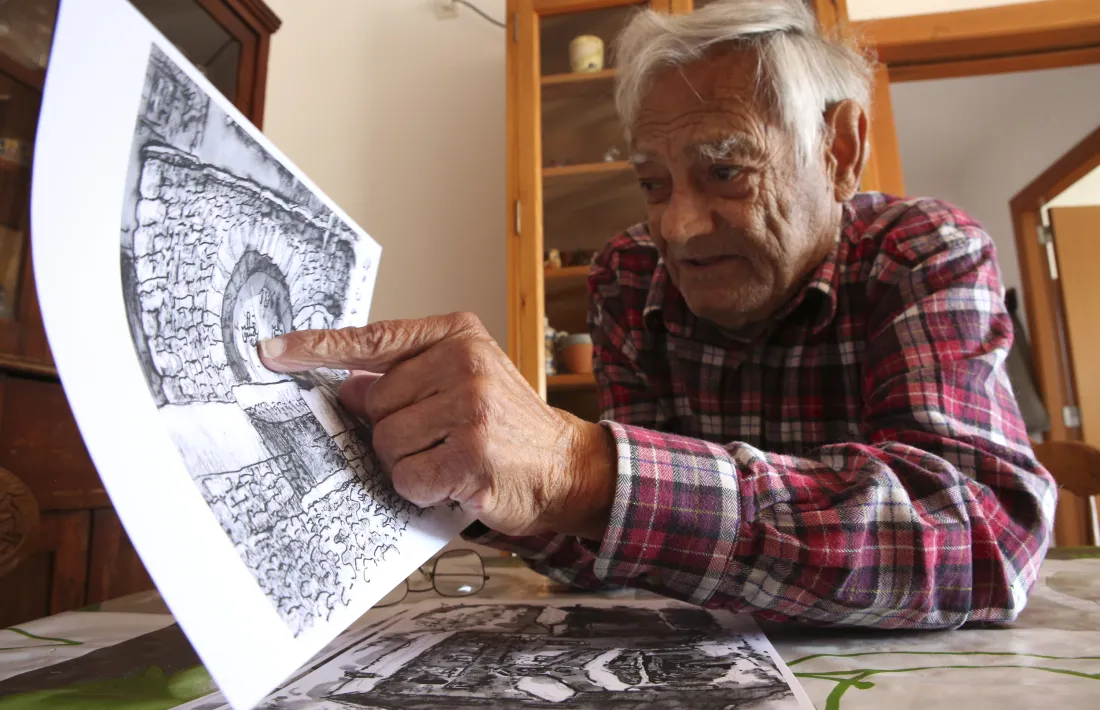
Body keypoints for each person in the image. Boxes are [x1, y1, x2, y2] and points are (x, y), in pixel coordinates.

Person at [259, 0, 1056, 629]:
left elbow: (983, 542)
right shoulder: (628, 276)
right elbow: (623, 552)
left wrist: (583, 470)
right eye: (652, 182)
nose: (676, 228)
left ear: (840, 150)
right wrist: (478, 484)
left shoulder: (922, 254)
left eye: (724, 171)